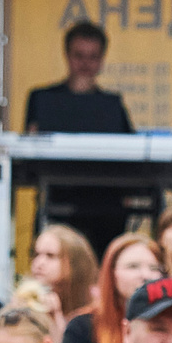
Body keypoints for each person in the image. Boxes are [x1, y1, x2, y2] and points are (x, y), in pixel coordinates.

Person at [22, 20, 140, 245]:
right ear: (67, 55)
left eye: (93, 56)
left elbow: (130, 153)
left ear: (101, 59)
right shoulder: (41, 98)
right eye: (79, 55)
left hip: (107, 203)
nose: (86, 63)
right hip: (59, 196)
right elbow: (29, 149)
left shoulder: (112, 104)